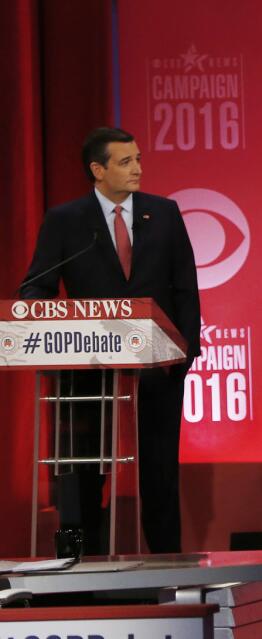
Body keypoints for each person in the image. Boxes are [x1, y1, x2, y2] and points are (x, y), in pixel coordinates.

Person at [21, 127, 201, 554]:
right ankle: (81, 565)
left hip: (158, 367)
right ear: (97, 170)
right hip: (88, 373)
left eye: (138, 159)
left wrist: (185, 352)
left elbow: (185, 290)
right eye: (125, 162)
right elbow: (37, 288)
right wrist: (32, 315)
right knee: (83, 474)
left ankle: (166, 564)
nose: (137, 168)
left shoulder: (165, 213)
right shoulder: (64, 221)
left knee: (159, 472)